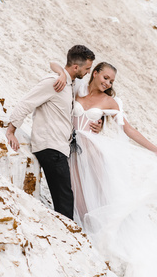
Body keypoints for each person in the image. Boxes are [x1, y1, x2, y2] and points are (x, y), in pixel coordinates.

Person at [51, 61, 157, 277]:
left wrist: (156, 149)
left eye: (111, 81)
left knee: (100, 199)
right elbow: (55, 65)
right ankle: (84, 240)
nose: (108, 83)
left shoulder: (110, 103)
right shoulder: (78, 88)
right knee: (77, 198)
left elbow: (128, 129)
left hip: (91, 152)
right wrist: (61, 72)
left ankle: (102, 244)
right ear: (94, 73)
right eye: (105, 77)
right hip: (69, 150)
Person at [6, 45, 98, 220]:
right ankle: (66, 242)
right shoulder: (54, 82)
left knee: (65, 198)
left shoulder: (69, 83)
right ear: (76, 67)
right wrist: (11, 130)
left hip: (59, 148)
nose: (88, 72)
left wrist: (62, 72)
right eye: (87, 68)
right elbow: (27, 102)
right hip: (50, 148)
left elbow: (53, 63)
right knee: (65, 201)